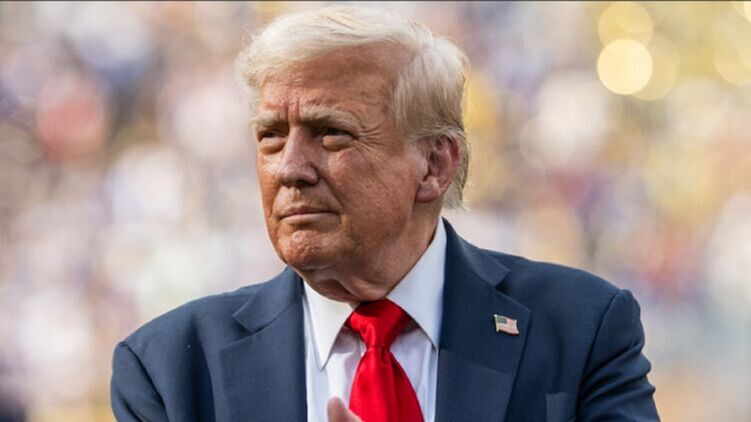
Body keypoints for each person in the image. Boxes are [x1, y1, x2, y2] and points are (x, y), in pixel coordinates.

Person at [110, 6, 659, 422]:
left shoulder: (580, 330)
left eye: (332, 133)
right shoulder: (171, 370)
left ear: (434, 166)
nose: (291, 168)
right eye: (271, 136)